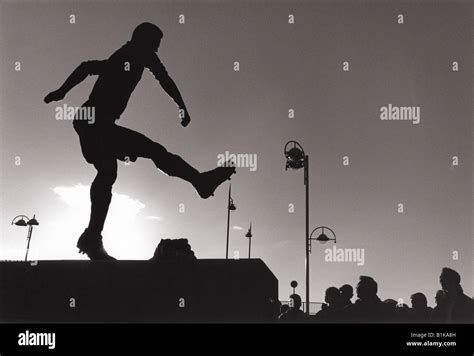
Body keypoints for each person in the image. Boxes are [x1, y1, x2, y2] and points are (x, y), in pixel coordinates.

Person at [44, 23, 235, 260]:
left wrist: (181, 105)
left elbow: (93, 68)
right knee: (114, 167)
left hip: (99, 124)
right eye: (154, 45)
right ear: (142, 41)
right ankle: (200, 182)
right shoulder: (131, 54)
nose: (156, 51)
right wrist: (62, 91)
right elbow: (88, 68)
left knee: (122, 165)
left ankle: (93, 235)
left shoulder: (134, 56)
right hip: (92, 123)